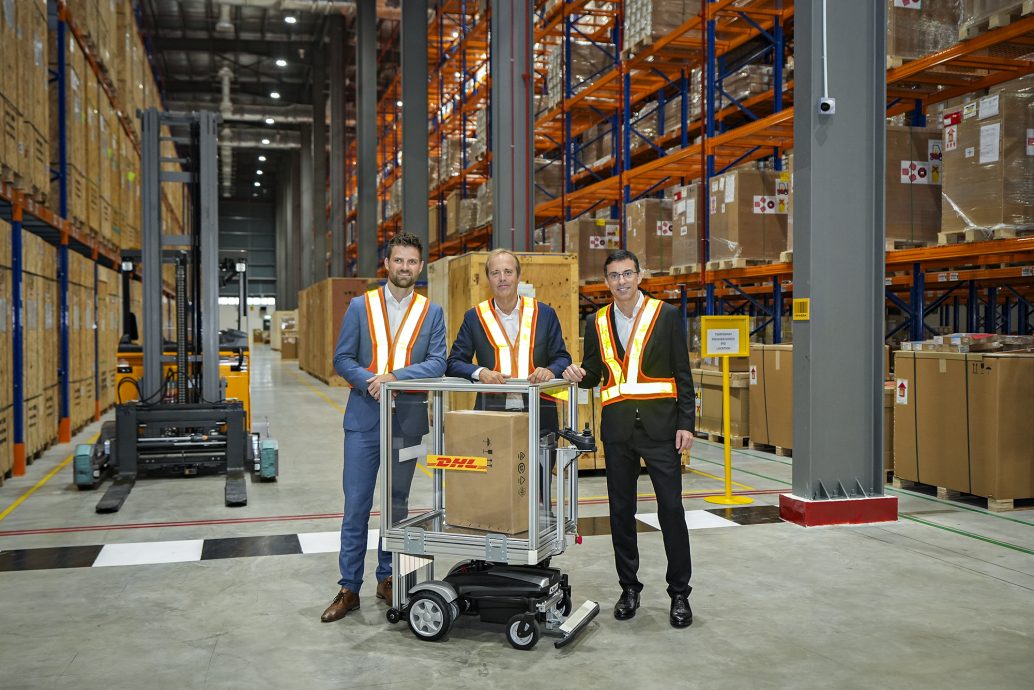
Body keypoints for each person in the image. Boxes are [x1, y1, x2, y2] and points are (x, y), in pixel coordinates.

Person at [562, 249, 695, 628]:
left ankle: (680, 594)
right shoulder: (597, 321)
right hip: (618, 431)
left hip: (661, 429)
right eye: (614, 276)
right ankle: (629, 587)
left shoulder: (665, 315)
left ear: (640, 276)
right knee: (621, 513)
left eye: (627, 274)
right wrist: (576, 372)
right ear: (606, 282)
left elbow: (683, 374)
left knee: (671, 511)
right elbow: (594, 372)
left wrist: (686, 423)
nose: (621, 281)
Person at [321, 232, 447, 623]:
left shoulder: (432, 312)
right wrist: (370, 380)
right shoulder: (361, 307)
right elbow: (342, 358)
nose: (404, 268)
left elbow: (438, 362)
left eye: (412, 262)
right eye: (398, 261)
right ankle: (348, 587)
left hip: (406, 421)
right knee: (356, 505)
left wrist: (394, 376)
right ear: (387, 264)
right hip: (364, 420)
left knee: (396, 505)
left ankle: (387, 576)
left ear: (420, 267)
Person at [446, 249, 572, 437]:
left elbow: (562, 358)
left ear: (518, 276)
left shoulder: (544, 314)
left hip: (539, 411)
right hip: (491, 413)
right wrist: (481, 373)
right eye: (495, 273)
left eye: (508, 272)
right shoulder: (475, 317)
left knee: (540, 467)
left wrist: (550, 370)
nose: (502, 278)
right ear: (488, 279)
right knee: (495, 466)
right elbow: (453, 363)